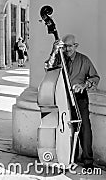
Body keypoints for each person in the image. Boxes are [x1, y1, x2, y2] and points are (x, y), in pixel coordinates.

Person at [45, 34, 100, 169]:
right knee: (67, 129)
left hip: (79, 97)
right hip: (62, 98)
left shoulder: (84, 60)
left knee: (84, 128)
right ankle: (69, 156)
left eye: (69, 46)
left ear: (76, 46)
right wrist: (54, 51)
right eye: (64, 46)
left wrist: (84, 85)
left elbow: (95, 77)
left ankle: (88, 160)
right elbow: (48, 67)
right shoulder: (59, 58)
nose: (67, 49)